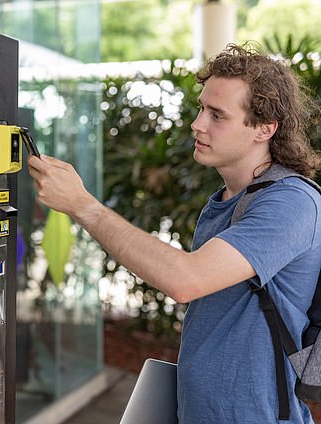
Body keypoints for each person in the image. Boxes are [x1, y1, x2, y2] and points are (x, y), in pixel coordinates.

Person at [27, 43, 321, 423]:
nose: (198, 124)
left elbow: (185, 279)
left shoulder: (291, 203)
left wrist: (84, 206)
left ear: (264, 129)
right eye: (202, 108)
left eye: (217, 115)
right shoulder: (226, 200)